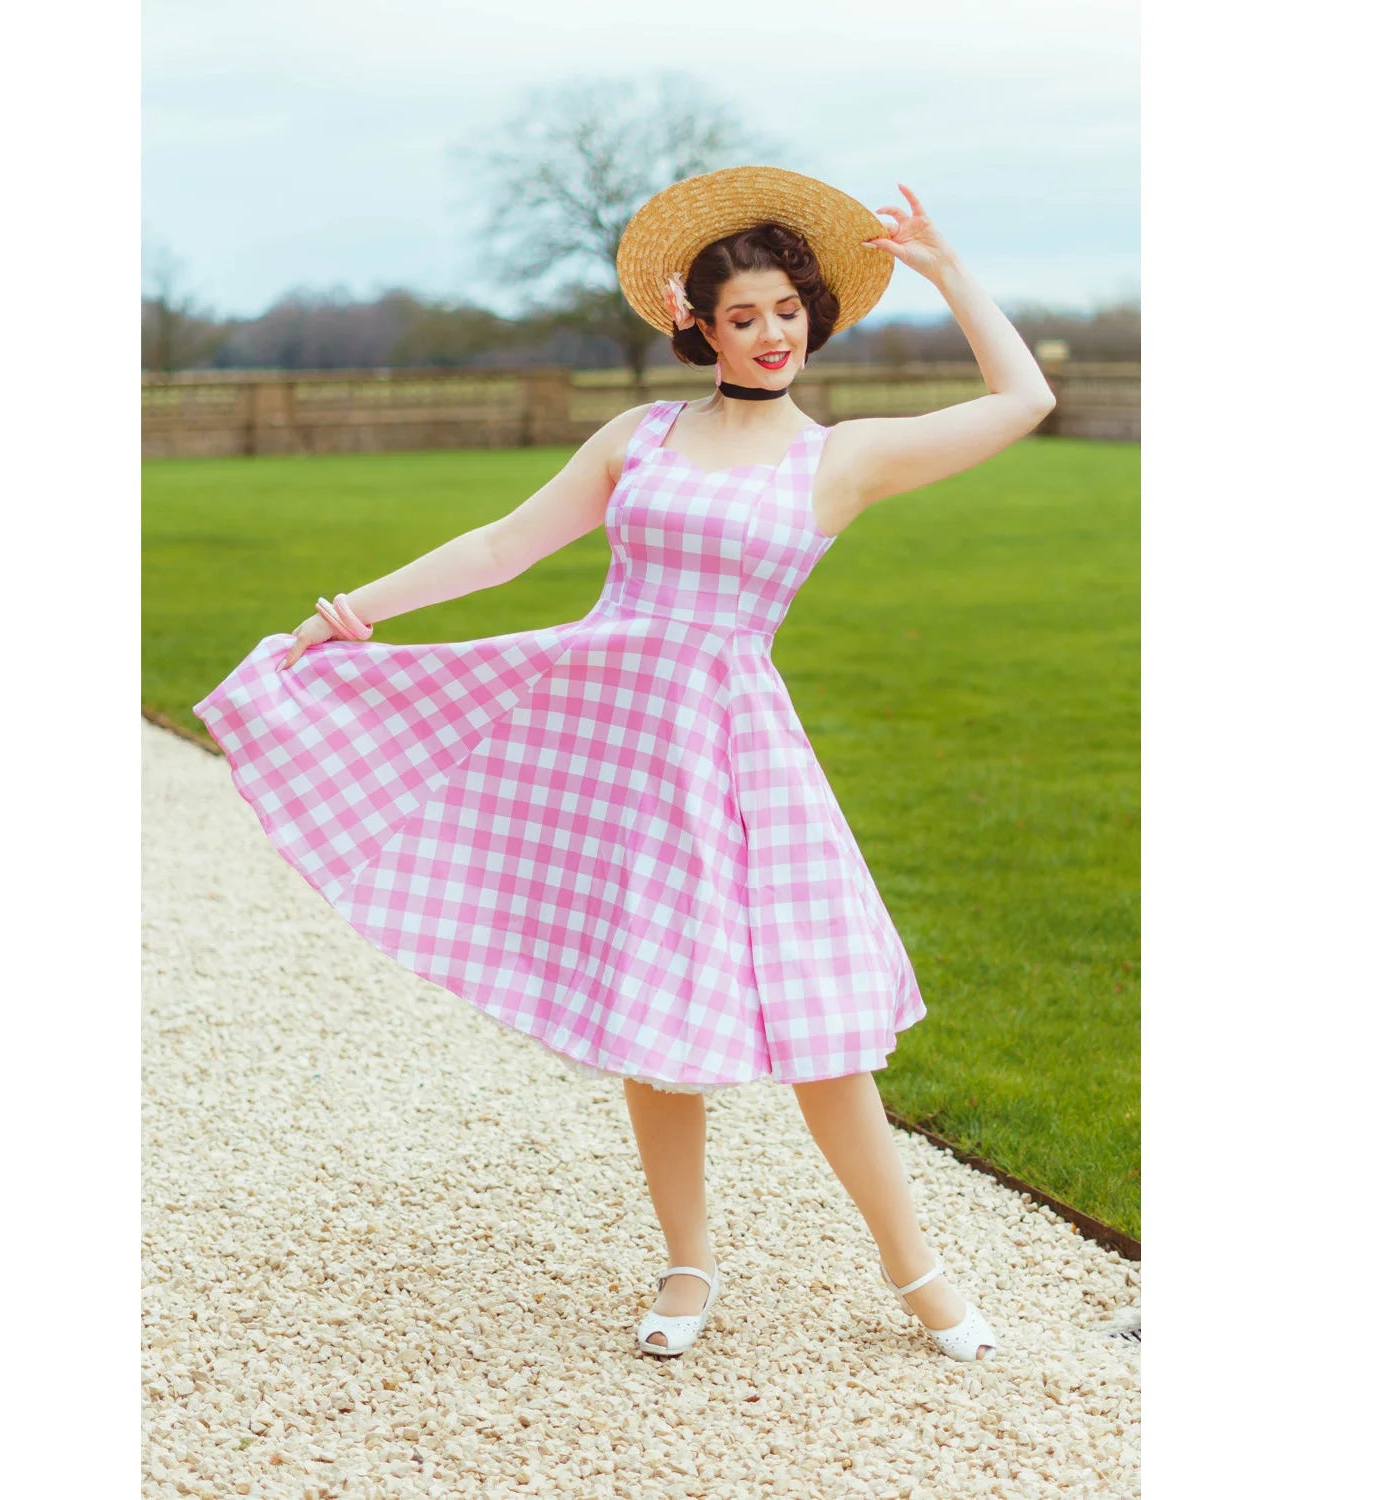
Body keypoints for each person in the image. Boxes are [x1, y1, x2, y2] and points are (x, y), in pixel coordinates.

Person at [194, 166, 1055, 1363]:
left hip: (739, 755)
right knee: (655, 1023)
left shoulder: (840, 460)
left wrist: (948, 268)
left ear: (815, 318)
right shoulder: (639, 436)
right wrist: (348, 614)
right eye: (743, 315)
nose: (771, 335)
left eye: (788, 312)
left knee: (826, 1029)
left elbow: (1024, 397)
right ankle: (687, 1266)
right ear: (696, 324)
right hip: (606, 743)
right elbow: (504, 545)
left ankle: (919, 1275)